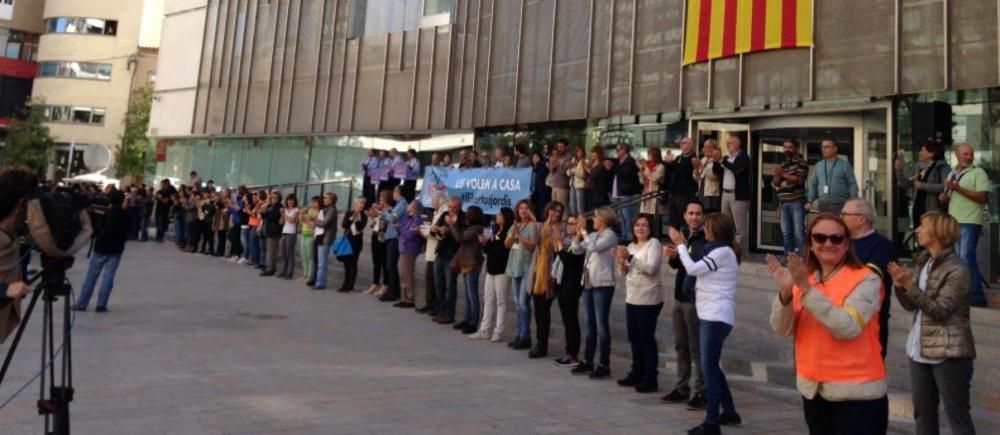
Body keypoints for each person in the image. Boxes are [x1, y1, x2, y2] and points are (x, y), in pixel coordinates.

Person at [767, 213, 886, 435]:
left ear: (847, 243)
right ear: (810, 244)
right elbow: (781, 328)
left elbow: (847, 327)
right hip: (814, 391)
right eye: (820, 238)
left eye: (836, 238)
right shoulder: (807, 278)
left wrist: (806, 290)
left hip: (857, 395)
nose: (828, 244)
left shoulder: (866, 278)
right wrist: (785, 293)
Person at [887, 211, 977, 435]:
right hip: (918, 348)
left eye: (922, 226)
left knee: (958, 417)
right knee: (923, 415)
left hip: (949, 351)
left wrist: (910, 286)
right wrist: (900, 286)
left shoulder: (958, 269)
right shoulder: (925, 261)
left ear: (938, 231)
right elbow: (911, 305)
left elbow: (940, 310)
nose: (916, 230)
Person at [668, 213, 742, 435]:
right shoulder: (716, 250)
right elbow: (694, 266)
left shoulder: (722, 251)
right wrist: (680, 251)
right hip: (710, 313)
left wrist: (681, 245)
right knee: (712, 367)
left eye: (708, 226)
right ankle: (729, 411)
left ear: (716, 229)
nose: (704, 229)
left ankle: (711, 423)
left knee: (708, 368)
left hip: (716, 316)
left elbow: (692, 269)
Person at [662, 200, 707, 409]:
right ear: (685, 216)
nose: (694, 217)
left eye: (698, 213)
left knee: (696, 348)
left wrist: (681, 247)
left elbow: (695, 265)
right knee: (681, 346)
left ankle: (701, 391)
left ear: (703, 216)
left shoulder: (706, 237)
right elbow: (679, 265)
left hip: (695, 299)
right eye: (691, 213)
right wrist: (672, 256)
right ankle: (682, 387)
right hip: (680, 296)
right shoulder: (684, 235)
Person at [842, 198, 897, 359]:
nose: (841, 218)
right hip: (839, 319)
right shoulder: (840, 242)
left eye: (845, 214)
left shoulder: (882, 246)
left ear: (861, 219)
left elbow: (867, 279)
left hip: (869, 324)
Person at [616, 214, 664, 393]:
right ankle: (637, 371)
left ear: (650, 228)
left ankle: (651, 377)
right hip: (632, 297)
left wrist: (629, 259)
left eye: (644, 225)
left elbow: (651, 268)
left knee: (646, 338)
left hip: (649, 298)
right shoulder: (630, 246)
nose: (640, 228)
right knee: (634, 338)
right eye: (637, 225)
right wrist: (622, 263)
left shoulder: (654, 244)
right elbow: (625, 272)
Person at [940, 143, 991, 307]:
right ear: (957, 155)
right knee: (957, 260)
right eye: (965, 154)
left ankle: (977, 296)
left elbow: (983, 197)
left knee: (966, 258)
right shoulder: (953, 173)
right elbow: (949, 195)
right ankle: (961, 294)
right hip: (954, 220)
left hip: (970, 221)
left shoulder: (978, 173)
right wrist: (944, 196)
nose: (969, 157)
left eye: (971, 154)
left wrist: (957, 188)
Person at [570, 207, 618, 379]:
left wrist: (583, 231)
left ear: (604, 219)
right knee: (590, 324)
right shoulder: (593, 234)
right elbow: (576, 249)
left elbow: (595, 248)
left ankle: (604, 363)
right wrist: (577, 234)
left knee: (601, 325)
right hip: (589, 283)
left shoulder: (609, 235)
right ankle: (588, 360)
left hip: (603, 284)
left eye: (596, 218)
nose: (593, 221)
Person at [73, 189, 133, 312]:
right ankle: (101, 304)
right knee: (108, 277)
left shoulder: (105, 213)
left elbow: (96, 228)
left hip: (101, 247)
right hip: (116, 248)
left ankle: (82, 303)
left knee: (91, 277)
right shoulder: (126, 214)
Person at [470, 207, 514, 342]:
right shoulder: (495, 230)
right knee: (488, 298)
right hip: (491, 268)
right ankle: (484, 329)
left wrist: (492, 243)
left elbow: (504, 249)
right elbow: (489, 249)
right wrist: (484, 242)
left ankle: (498, 330)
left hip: (502, 269)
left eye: (500, 214)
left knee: (501, 300)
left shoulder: (509, 232)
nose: (497, 216)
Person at [529, 201, 564, 358]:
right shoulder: (541, 225)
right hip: (538, 270)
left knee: (544, 310)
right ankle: (538, 342)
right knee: (537, 310)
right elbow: (536, 241)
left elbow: (555, 246)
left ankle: (543, 346)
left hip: (550, 271)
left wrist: (551, 228)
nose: (555, 214)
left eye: (558, 212)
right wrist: (542, 223)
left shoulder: (561, 228)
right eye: (553, 210)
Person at [552, 212, 586, 367]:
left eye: (573, 223)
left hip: (572, 283)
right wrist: (559, 246)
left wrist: (559, 247)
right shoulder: (566, 240)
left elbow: (569, 260)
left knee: (571, 319)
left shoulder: (581, 242)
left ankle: (573, 354)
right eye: (568, 223)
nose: (569, 226)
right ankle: (568, 351)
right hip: (562, 281)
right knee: (566, 319)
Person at [505, 199, 538, 350]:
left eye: (526, 208)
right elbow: (507, 244)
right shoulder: (515, 225)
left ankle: (526, 336)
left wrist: (520, 236)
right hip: (514, 266)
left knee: (524, 303)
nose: (523, 211)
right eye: (520, 208)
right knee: (517, 303)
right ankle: (519, 334)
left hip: (526, 267)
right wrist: (513, 235)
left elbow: (532, 246)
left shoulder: (533, 226)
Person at [895, 142, 950, 230]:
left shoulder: (942, 167)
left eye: (923, 150)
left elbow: (946, 186)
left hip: (933, 210)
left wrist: (923, 186)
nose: (920, 152)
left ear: (932, 153)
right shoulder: (918, 166)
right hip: (918, 208)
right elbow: (906, 185)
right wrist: (899, 170)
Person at [450, 206, 485, 334]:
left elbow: (460, 238)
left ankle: (473, 322)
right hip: (466, 262)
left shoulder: (476, 229)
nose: (466, 217)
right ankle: (467, 318)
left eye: (469, 214)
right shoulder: (470, 227)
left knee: (472, 294)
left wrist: (453, 225)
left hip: (472, 263)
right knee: (467, 294)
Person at [432, 197, 463, 324]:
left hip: (453, 255)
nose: (451, 210)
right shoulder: (444, 214)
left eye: (454, 208)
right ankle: (441, 310)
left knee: (450, 285)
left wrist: (450, 227)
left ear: (460, 207)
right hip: (441, 252)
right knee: (439, 283)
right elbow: (434, 230)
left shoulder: (463, 218)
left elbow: (460, 238)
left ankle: (449, 313)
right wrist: (437, 229)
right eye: (450, 207)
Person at [807, 138, 858, 214]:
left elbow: (852, 184)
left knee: (839, 226)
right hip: (823, 204)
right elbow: (813, 184)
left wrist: (853, 202)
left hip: (841, 204)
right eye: (822, 147)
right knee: (826, 225)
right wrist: (810, 201)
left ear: (835, 149)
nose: (823, 149)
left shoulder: (845, 165)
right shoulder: (818, 165)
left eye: (826, 147)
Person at [720, 136, 751, 254]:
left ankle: (737, 253)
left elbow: (736, 168)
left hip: (738, 196)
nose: (728, 145)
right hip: (725, 194)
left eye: (730, 143)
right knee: (725, 224)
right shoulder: (727, 158)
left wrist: (722, 161)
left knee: (739, 228)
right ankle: (726, 250)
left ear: (738, 144)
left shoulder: (743, 157)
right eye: (727, 143)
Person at [418, 195, 448, 314]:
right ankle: (430, 304)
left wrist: (423, 231)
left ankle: (434, 305)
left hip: (436, 251)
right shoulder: (438, 212)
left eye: (434, 201)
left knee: (435, 280)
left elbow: (436, 232)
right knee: (430, 279)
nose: (432, 203)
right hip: (431, 250)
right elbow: (433, 229)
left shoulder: (444, 213)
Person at [379, 187, 407, 302]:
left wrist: (384, 212)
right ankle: (393, 291)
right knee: (389, 265)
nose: (393, 194)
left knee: (391, 265)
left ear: (398, 193)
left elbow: (391, 218)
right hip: (390, 236)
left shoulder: (402, 204)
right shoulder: (398, 204)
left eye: (394, 192)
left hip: (395, 237)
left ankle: (393, 292)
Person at [396, 200, 424, 306]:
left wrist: (400, 228)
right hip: (404, 248)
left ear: (414, 208)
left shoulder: (416, 220)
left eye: (410, 205)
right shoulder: (409, 219)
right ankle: (404, 297)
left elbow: (410, 234)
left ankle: (409, 298)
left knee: (407, 274)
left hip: (410, 249)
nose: (408, 206)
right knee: (403, 274)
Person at [668, 137, 700, 227]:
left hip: (685, 193)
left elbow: (688, 173)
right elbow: (672, 173)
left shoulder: (693, 158)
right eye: (681, 143)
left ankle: (684, 238)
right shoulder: (679, 157)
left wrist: (673, 163)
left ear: (690, 145)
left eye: (684, 143)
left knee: (684, 218)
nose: (681, 144)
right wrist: (668, 164)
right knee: (673, 218)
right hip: (674, 192)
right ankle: (675, 238)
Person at [338, 197, 367, 293]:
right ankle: (345, 284)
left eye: (363, 203)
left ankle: (350, 285)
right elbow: (344, 225)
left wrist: (358, 218)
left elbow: (360, 227)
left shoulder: (364, 215)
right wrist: (353, 216)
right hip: (347, 240)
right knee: (347, 263)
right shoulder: (349, 213)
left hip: (357, 242)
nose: (362, 205)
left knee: (353, 263)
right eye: (360, 203)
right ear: (356, 204)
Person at [613, 144, 641, 239]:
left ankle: (629, 235)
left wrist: (619, 166)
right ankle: (624, 233)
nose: (617, 152)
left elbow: (626, 173)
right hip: (619, 190)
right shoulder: (619, 161)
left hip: (626, 191)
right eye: (616, 150)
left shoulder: (630, 161)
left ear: (624, 150)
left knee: (627, 214)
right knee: (621, 215)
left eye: (618, 149)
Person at [312, 192, 339, 290]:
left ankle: (320, 283)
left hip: (326, 238)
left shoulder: (332, 210)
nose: (324, 200)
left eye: (326, 198)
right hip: (322, 237)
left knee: (322, 262)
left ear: (331, 200)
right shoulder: (326, 209)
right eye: (324, 198)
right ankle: (319, 281)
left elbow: (324, 223)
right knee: (320, 261)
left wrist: (315, 221)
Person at [259, 191, 282, 277]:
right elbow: (264, 216)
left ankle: (270, 268)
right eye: (272, 197)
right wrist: (262, 212)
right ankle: (270, 267)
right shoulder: (270, 206)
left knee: (272, 250)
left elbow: (275, 217)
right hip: (267, 229)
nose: (273, 199)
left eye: (275, 197)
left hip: (274, 230)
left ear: (279, 198)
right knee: (270, 249)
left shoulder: (279, 207)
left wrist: (266, 213)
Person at [697, 139, 723, 213]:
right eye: (705, 147)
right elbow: (698, 177)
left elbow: (715, 177)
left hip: (712, 193)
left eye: (709, 147)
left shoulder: (718, 160)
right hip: (703, 191)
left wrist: (703, 169)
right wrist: (696, 170)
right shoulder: (703, 159)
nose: (706, 149)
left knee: (711, 215)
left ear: (714, 149)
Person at [277, 195, 299, 279]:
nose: (290, 202)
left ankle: (290, 273)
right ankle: (283, 271)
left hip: (291, 233)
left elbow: (291, 220)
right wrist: (282, 215)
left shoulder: (296, 210)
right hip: (284, 232)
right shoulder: (285, 210)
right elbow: (280, 222)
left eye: (292, 200)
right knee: (283, 253)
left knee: (290, 253)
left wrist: (284, 214)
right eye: (289, 200)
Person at [640, 147, 665, 217]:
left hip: (655, 194)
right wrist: (641, 171)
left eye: (649, 154)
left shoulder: (661, 166)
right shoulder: (647, 165)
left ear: (655, 155)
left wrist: (645, 167)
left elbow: (654, 178)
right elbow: (641, 181)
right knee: (647, 217)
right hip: (646, 193)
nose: (648, 156)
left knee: (656, 217)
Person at [298, 196, 319, 281]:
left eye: (315, 202)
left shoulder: (319, 212)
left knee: (310, 257)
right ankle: (305, 274)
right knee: (304, 256)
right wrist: (301, 214)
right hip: (303, 234)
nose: (313, 204)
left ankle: (310, 275)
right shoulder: (309, 211)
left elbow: (313, 225)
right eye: (312, 202)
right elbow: (301, 221)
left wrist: (307, 218)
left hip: (311, 235)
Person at [549, 139, 573, 210]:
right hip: (554, 186)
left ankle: (564, 221)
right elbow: (552, 172)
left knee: (562, 208)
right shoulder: (557, 156)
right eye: (558, 147)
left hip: (563, 187)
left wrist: (557, 164)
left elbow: (565, 172)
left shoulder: (569, 157)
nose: (559, 149)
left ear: (566, 147)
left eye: (561, 147)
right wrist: (552, 165)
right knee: (554, 208)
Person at [153, 179, 176, 243]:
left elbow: (166, 201)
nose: (162, 186)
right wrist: (155, 197)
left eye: (163, 184)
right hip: (158, 209)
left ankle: (160, 237)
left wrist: (159, 198)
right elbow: (154, 199)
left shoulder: (168, 192)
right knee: (158, 224)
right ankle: (157, 236)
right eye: (161, 184)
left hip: (164, 210)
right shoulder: (159, 191)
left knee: (161, 224)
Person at [568, 147, 589, 215]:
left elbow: (583, 175)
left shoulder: (585, 161)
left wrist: (574, 169)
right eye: (577, 152)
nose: (579, 153)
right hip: (572, 184)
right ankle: (574, 222)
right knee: (572, 205)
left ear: (583, 153)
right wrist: (572, 170)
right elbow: (568, 172)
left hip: (580, 185)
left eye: (580, 152)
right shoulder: (574, 160)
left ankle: (581, 223)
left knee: (580, 207)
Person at [531, 151, 552, 217]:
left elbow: (547, 161)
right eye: (533, 158)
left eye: (536, 157)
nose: (535, 159)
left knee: (542, 211)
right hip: (535, 194)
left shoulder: (543, 166)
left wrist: (543, 162)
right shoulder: (533, 169)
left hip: (543, 193)